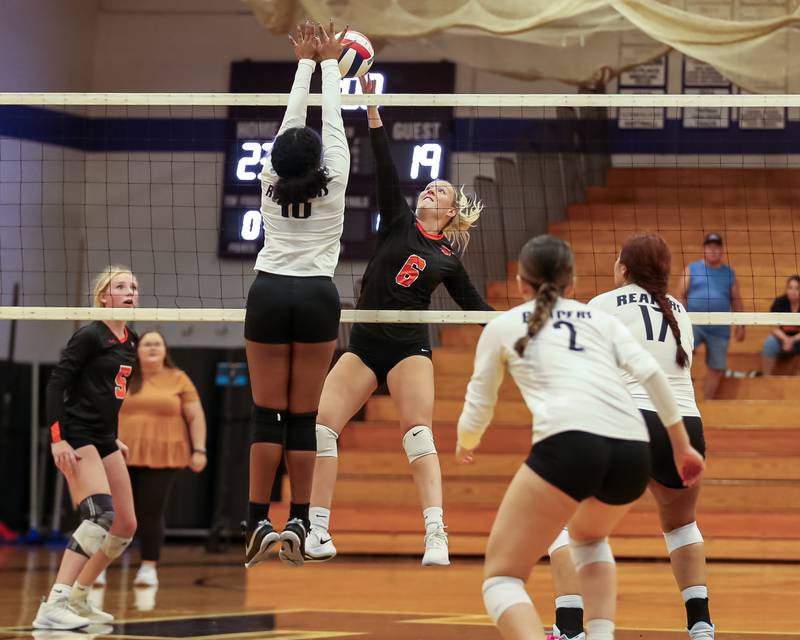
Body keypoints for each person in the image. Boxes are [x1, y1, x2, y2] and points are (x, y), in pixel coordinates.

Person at [456, 235, 704, 640]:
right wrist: (680, 443)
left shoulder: (507, 325)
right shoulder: (607, 320)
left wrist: (466, 442)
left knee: (502, 577)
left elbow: (478, 406)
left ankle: (569, 629)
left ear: (521, 284)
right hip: (633, 446)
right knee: (591, 537)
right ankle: (606, 632)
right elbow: (655, 375)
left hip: (575, 439)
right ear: (571, 284)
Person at [305, 73, 492, 567]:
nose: (432, 189)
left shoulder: (448, 259)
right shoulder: (398, 220)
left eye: (441, 191)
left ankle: (436, 534)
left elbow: (476, 310)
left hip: (409, 347)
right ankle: (318, 529)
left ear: (452, 214)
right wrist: (372, 109)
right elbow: (386, 166)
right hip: (364, 342)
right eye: (430, 186)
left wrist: (521, 326)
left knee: (418, 434)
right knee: (321, 429)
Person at [243, 19, 349, 569]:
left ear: (279, 163)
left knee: (267, 413)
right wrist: (328, 62)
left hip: (268, 293)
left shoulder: (267, 178)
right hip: (315, 297)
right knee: (304, 417)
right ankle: (303, 520)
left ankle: (258, 517)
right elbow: (327, 123)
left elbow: (292, 127)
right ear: (319, 164)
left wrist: (306, 63)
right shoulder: (334, 182)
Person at [589, 233, 714, 639]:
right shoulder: (680, 311)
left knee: (578, 526)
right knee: (681, 526)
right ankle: (700, 624)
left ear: (624, 269)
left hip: (628, 420)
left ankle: (574, 626)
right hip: (685, 426)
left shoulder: (603, 305)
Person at [33, 266, 139, 629]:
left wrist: (115, 435)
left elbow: (110, 396)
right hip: (77, 434)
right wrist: (57, 438)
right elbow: (55, 385)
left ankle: (79, 598)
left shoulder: (130, 339)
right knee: (99, 516)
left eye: (134, 287)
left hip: (104, 436)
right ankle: (55, 603)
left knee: (125, 524)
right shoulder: (89, 336)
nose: (130, 292)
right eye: (121, 286)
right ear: (104, 296)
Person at [116, 330, 207, 587]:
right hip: (121, 452)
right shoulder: (124, 376)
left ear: (166, 350)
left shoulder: (178, 378)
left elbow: (195, 416)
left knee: (150, 512)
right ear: (137, 350)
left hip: (164, 454)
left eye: (158, 344)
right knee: (111, 512)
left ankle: (148, 566)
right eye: (147, 344)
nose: (153, 348)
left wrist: (199, 450)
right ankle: (96, 567)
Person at [677, 233, 744, 399]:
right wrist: (680, 321)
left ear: (721, 250)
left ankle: (706, 405)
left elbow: (736, 299)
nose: (713, 250)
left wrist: (741, 324)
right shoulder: (691, 269)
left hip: (720, 327)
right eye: (710, 247)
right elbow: (680, 295)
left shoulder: (729, 273)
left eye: (716, 247)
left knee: (717, 367)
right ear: (704, 249)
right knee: (681, 356)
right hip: (694, 323)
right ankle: (687, 397)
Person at [761, 275, 800, 375]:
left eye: (797, 288)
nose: (793, 291)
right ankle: (766, 377)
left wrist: (793, 339)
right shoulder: (780, 302)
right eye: (790, 288)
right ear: (786, 289)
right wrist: (786, 339)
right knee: (769, 342)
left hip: (798, 340)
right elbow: (773, 327)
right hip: (781, 339)